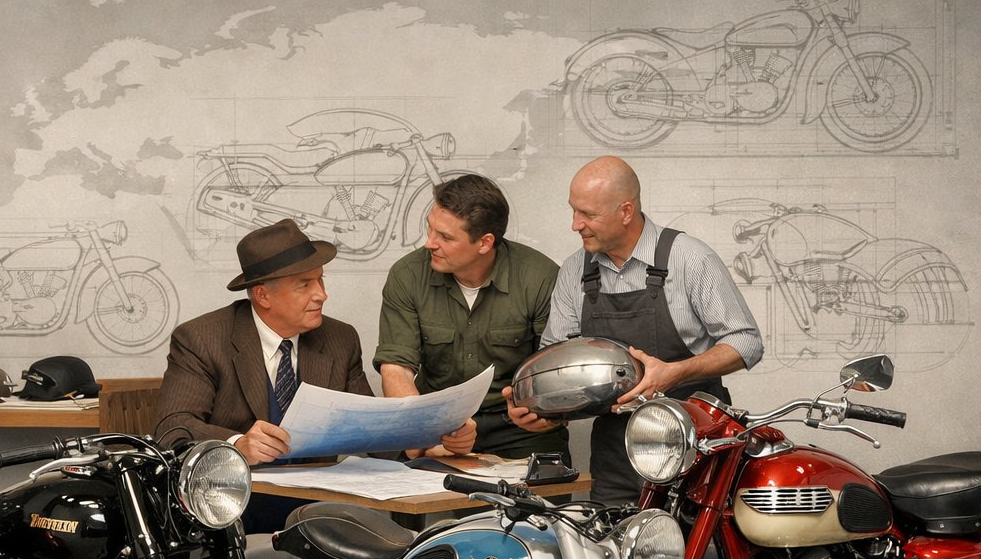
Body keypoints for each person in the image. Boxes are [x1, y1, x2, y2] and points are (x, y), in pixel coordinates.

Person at [507, 155, 763, 504]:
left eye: (588, 215)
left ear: (626, 212)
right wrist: (542, 409)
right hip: (617, 458)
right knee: (611, 553)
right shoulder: (574, 272)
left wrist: (675, 373)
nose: (575, 224)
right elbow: (558, 364)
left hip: (694, 453)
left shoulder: (688, 259)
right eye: (574, 211)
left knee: (693, 557)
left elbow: (746, 342)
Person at [374, 174, 567, 461]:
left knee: (542, 497)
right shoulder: (408, 275)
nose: (429, 243)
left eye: (446, 237)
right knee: (400, 480)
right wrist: (422, 432)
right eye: (430, 228)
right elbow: (396, 369)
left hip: (515, 425)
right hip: (438, 421)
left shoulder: (540, 277)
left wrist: (544, 415)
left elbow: (556, 370)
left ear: (485, 243)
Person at [154, 218, 373, 466]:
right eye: (305, 285)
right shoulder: (201, 339)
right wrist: (236, 444)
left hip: (318, 500)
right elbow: (172, 428)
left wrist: (416, 448)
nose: (322, 295)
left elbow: (369, 428)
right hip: (236, 496)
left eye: (320, 279)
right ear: (263, 295)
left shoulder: (341, 339)